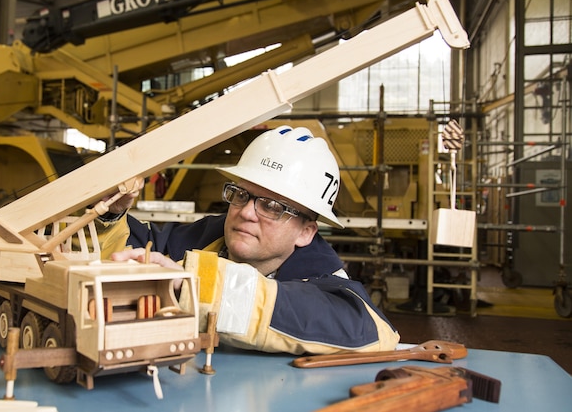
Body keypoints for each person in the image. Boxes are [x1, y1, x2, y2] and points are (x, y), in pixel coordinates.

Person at [98, 125, 399, 355]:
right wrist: (111, 214)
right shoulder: (208, 236)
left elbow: (374, 332)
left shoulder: (323, 277)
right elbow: (136, 247)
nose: (246, 213)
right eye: (241, 195)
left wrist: (190, 285)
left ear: (306, 232)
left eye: (272, 206)